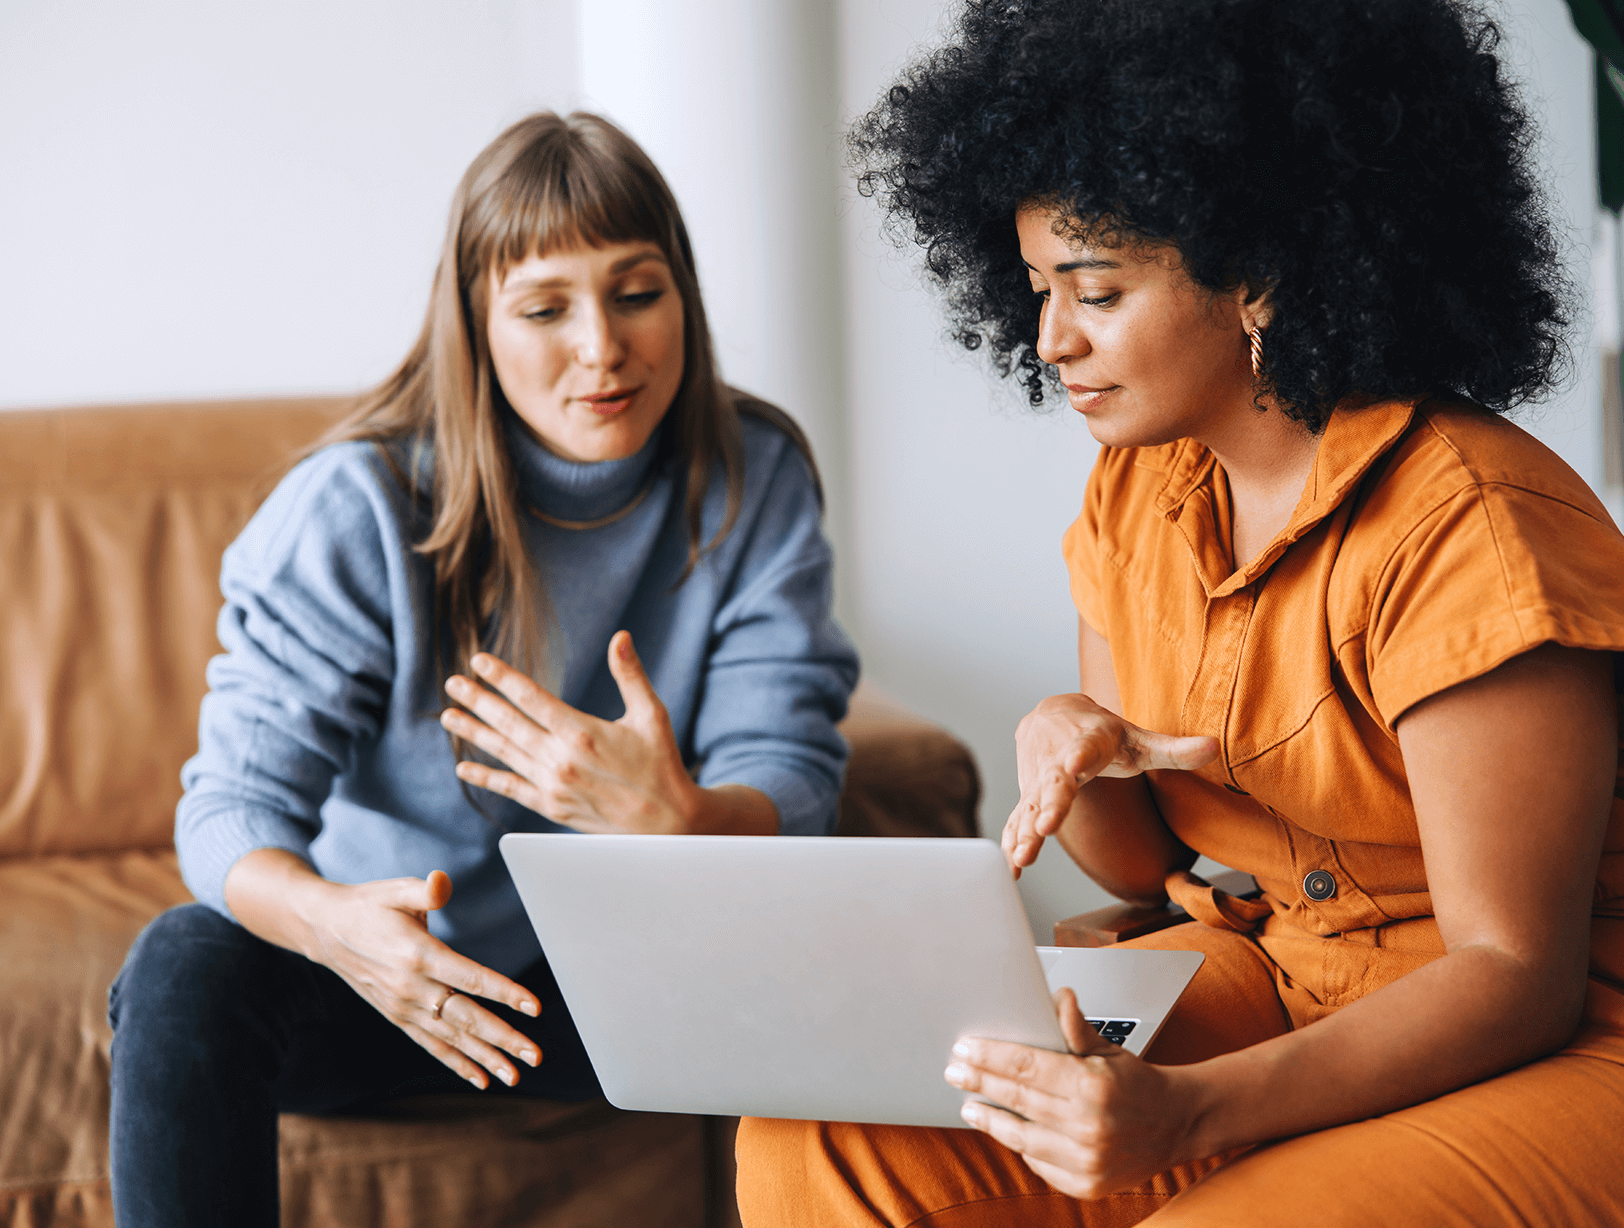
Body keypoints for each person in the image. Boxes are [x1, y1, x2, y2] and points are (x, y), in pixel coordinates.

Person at [736, 0, 1624, 1224]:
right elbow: (1145, 864)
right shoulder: (1134, 488)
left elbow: (1513, 973)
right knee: (828, 1135)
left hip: (1552, 1039)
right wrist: (1076, 746)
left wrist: (1194, 1113)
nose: (1050, 338)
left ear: (1254, 271)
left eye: (1094, 290)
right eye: (1038, 286)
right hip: (1263, 965)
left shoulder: (1469, 523)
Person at [106, 111, 858, 1227]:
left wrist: (680, 817)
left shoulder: (754, 473)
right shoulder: (357, 506)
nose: (602, 348)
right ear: (476, 324)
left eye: (637, 292)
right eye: (545, 308)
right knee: (183, 963)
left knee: (885, 963)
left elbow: (790, 769)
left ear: (684, 297)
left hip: (628, 981)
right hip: (381, 975)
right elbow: (230, 812)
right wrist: (336, 929)